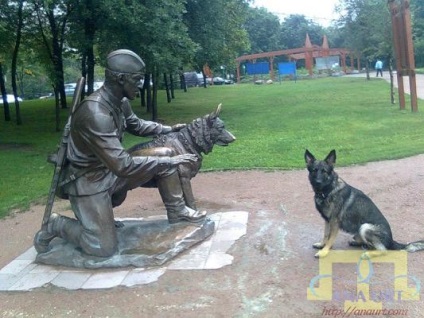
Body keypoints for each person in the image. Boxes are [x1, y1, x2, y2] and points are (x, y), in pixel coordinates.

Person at [34, 49, 207, 257]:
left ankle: (178, 211)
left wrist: (168, 129)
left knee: (165, 154)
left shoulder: (119, 102)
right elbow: (123, 165)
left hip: (112, 170)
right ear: (120, 78)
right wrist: (169, 162)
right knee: (101, 248)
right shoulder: (95, 113)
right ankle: (57, 224)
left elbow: (136, 125)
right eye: (137, 79)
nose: (140, 84)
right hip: (90, 181)